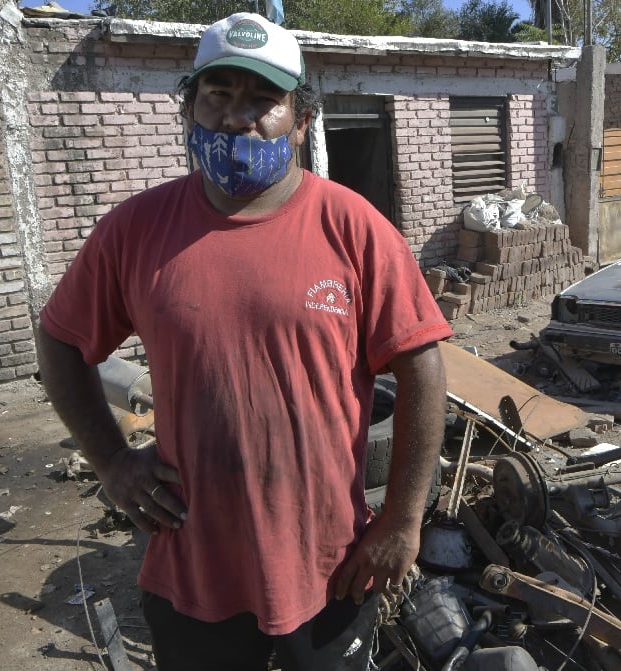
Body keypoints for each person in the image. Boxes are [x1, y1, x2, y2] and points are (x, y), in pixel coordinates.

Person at [35, 12, 453, 671]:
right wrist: (112, 461)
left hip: (328, 566)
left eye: (263, 99)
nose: (237, 118)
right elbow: (59, 339)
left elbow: (422, 367)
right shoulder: (136, 231)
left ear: (301, 120)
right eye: (218, 95)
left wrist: (401, 519)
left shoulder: (353, 228)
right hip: (193, 569)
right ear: (190, 110)